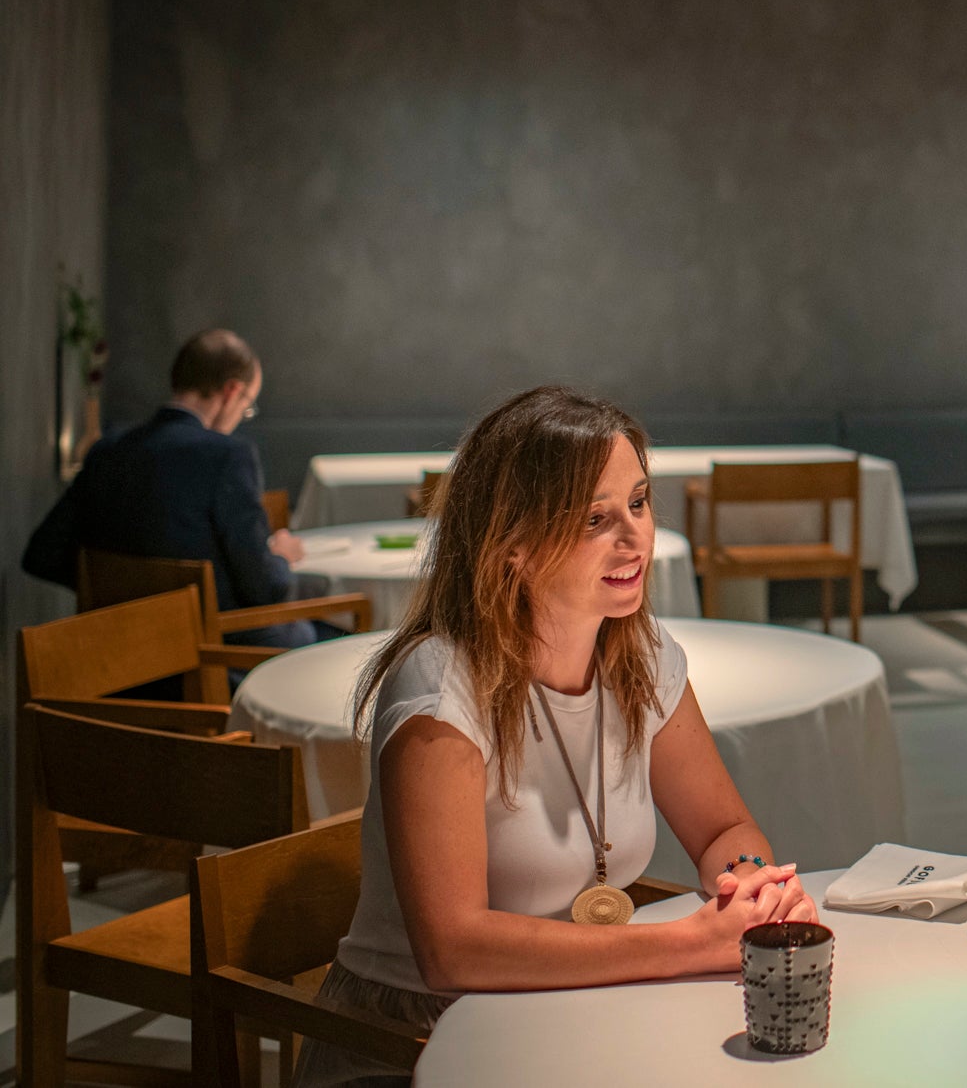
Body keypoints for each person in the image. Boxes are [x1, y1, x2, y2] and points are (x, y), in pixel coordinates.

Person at [293, 385, 814, 1088]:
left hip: (566, 1009)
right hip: (411, 1037)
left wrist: (747, 882)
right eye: (596, 518)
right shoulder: (441, 686)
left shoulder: (645, 657)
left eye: (638, 502)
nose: (634, 536)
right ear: (514, 546)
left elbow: (724, 826)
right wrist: (686, 944)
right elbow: (453, 949)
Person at [21, 327, 316, 649]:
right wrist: (281, 558)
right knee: (322, 641)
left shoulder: (107, 449)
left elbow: (42, 556)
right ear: (231, 391)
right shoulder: (227, 456)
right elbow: (265, 588)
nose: (241, 417)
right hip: (208, 659)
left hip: (116, 658)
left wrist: (125, 600)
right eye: (247, 406)